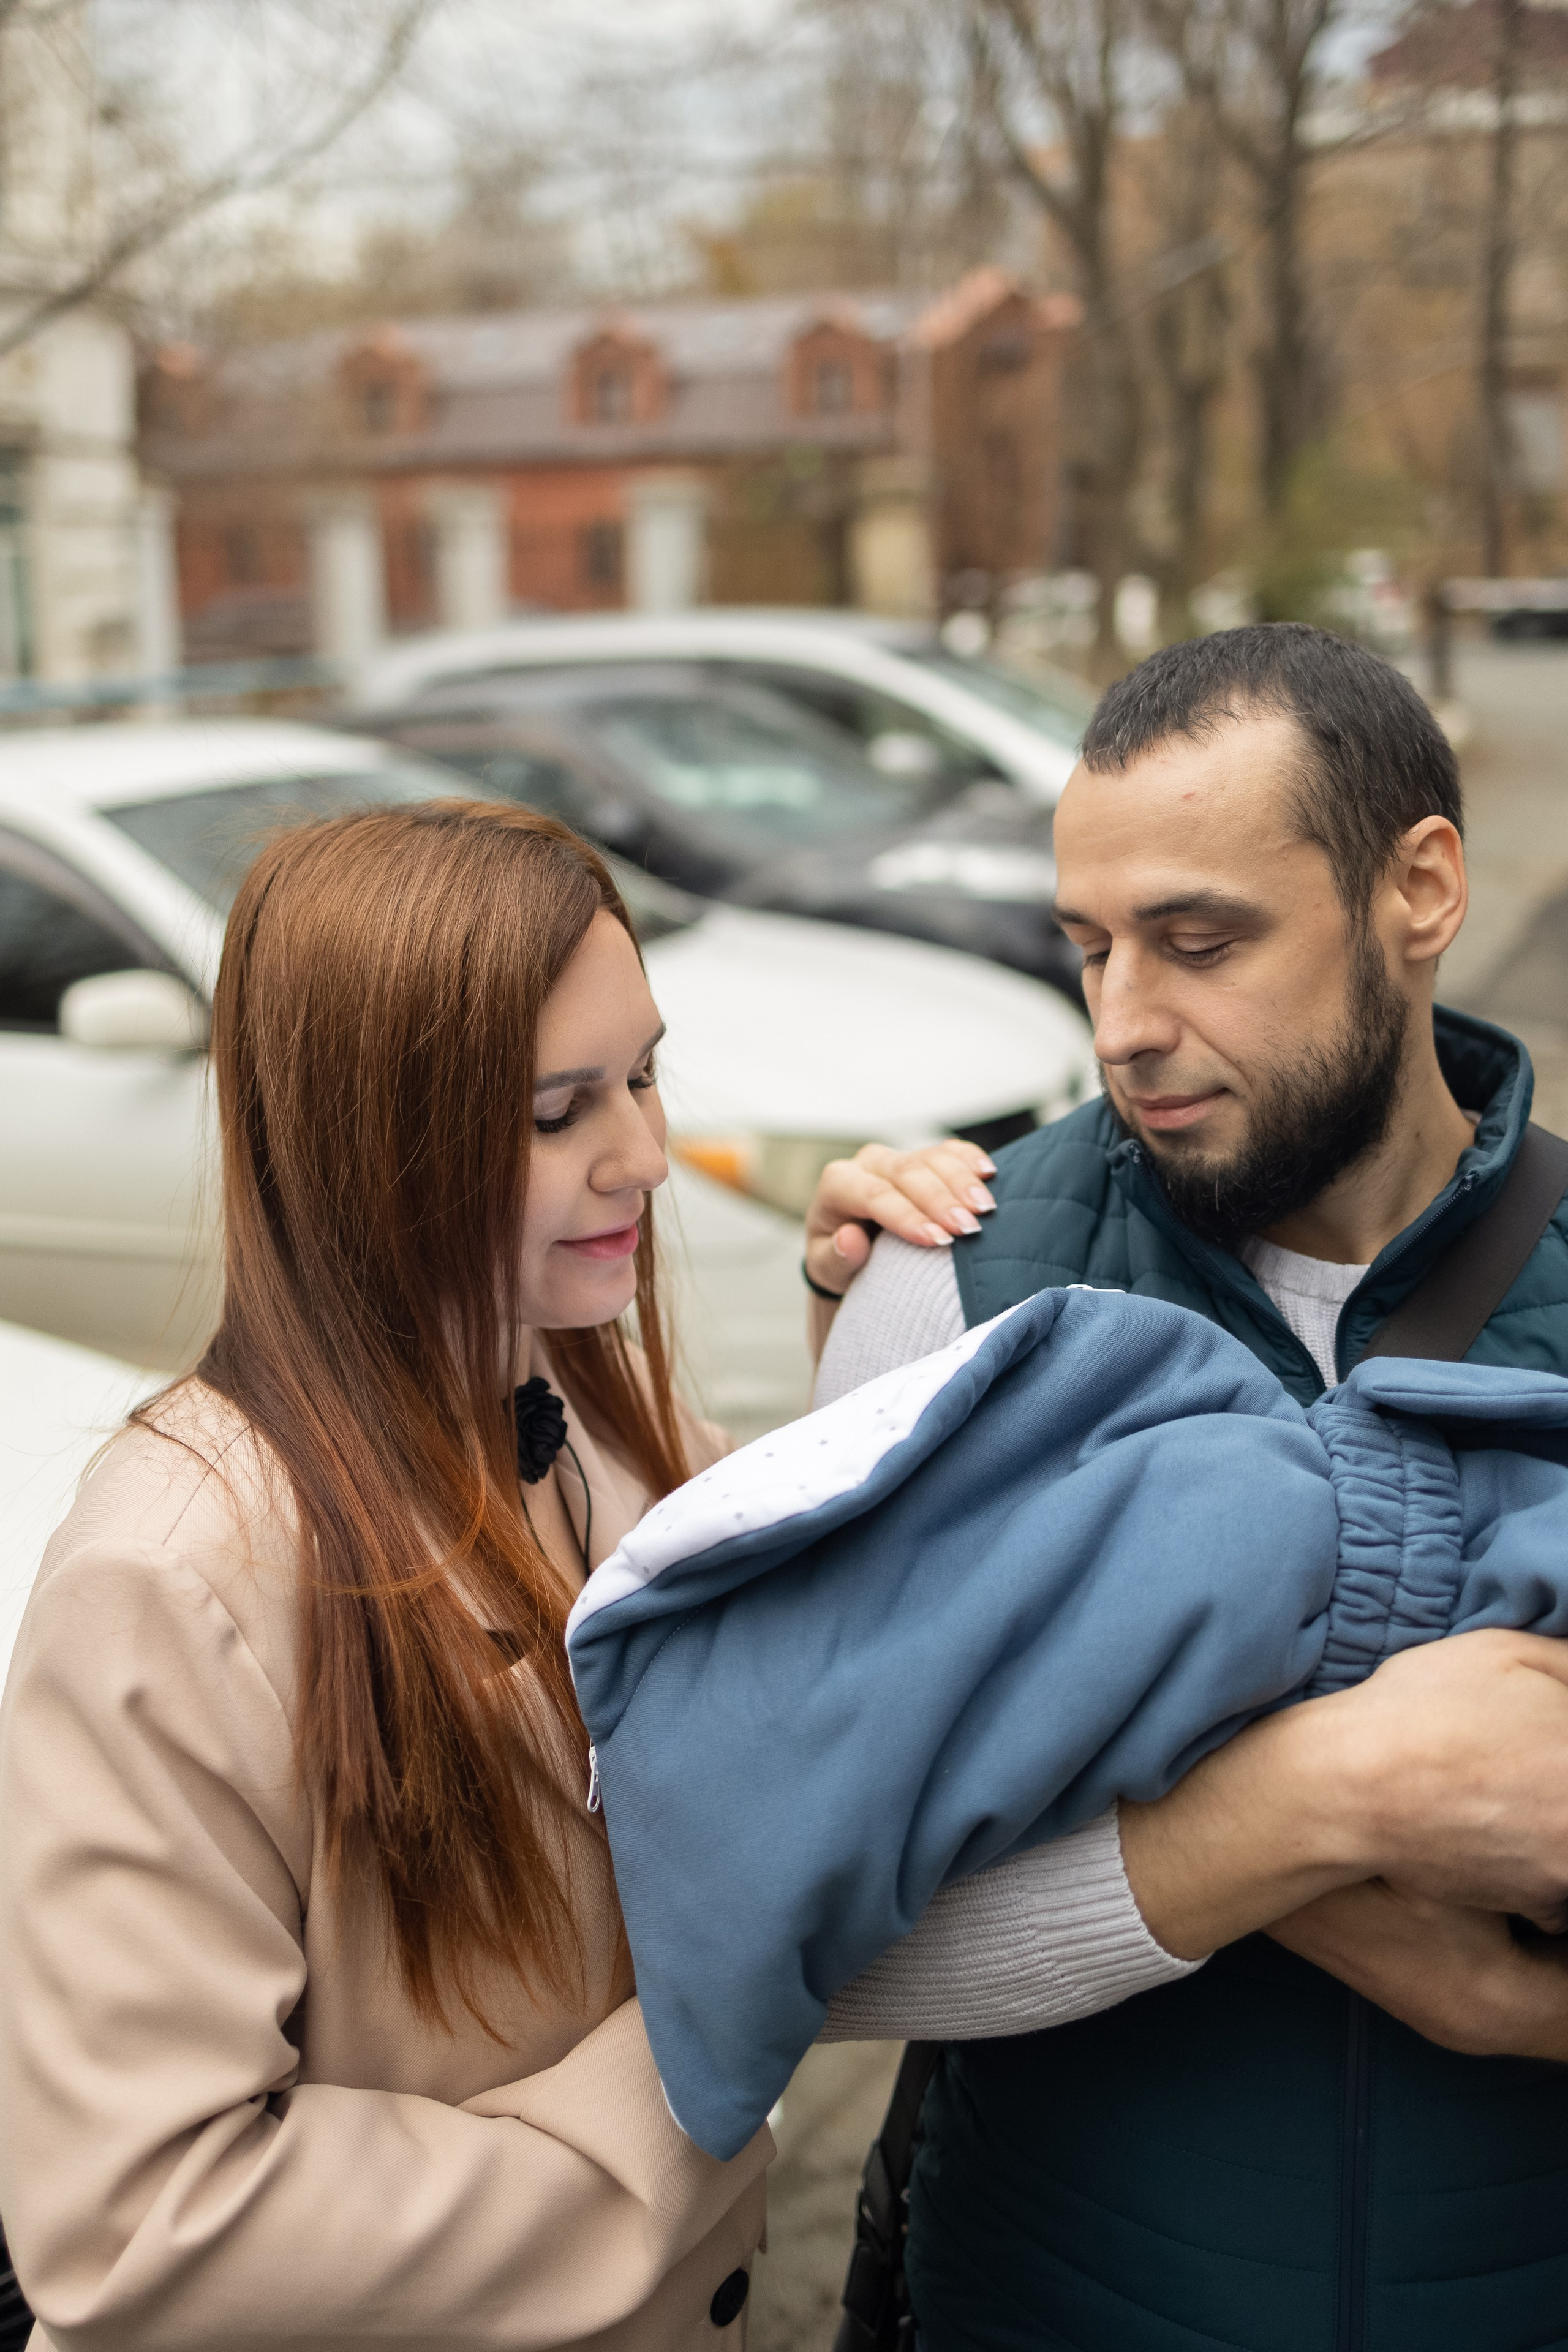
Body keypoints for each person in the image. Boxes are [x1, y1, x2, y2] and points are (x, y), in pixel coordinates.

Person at [0, 800, 1134, 2352]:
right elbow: (141, 2227)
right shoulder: (170, 1579)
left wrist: (855, 1344)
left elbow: (793, 1664)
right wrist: (684, 2087)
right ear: (364, 1133)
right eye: (558, 1113)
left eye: (647, 1074)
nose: (649, 1158)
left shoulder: (587, 1408)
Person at [814, 622, 1568, 2350]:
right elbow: (809, 1939)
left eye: (1199, 942)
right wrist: (1320, 1815)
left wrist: (1526, 2013)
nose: (1124, 1027)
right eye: (1086, 951)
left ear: (1422, 890)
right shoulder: (945, 1292)